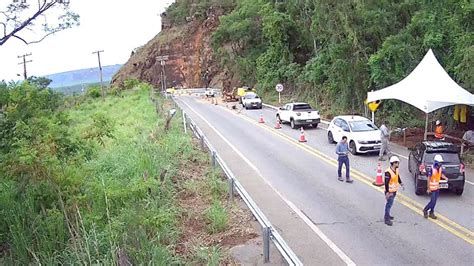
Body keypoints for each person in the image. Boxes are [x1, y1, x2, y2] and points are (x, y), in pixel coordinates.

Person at [423, 154, 448, 219]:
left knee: (435, 201)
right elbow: (428, 178)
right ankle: (425, 210)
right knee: (433, 201)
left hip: (437, 187)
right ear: (436, 162)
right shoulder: (432, 169)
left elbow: (441, 174)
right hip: (432, 188)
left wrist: (445, 178)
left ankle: (431, 212)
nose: (440, 164)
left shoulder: (439, 168)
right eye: (440, 162)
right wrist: (428, 188)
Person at [384, 156, 404, 226]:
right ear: (394, 163)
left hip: (394, 190)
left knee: (390, 204)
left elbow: (397, 176)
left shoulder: (396, 169)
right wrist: (387, 192)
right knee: (388, 205)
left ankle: (388, 215)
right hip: (390, 192)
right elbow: (386, 183)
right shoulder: (388, 172)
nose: (398, 164)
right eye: (397, 163)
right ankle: (386, 219)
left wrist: (401, 183)